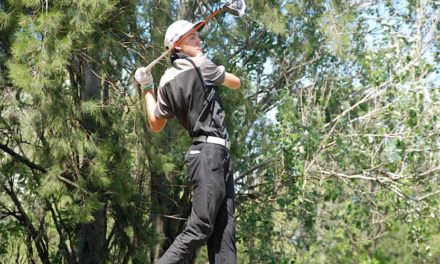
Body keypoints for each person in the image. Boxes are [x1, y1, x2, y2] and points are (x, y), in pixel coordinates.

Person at [135, 20, 241, 264]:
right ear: (178, 46)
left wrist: (147, 87)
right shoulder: (201, 65)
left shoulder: (166, 81)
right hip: (210, 154)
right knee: (202, 226)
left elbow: (155, 123)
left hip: (210, 154)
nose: (199, 41)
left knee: (224, 232)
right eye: (193, 37)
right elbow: (235, 83)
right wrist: (221, 71)